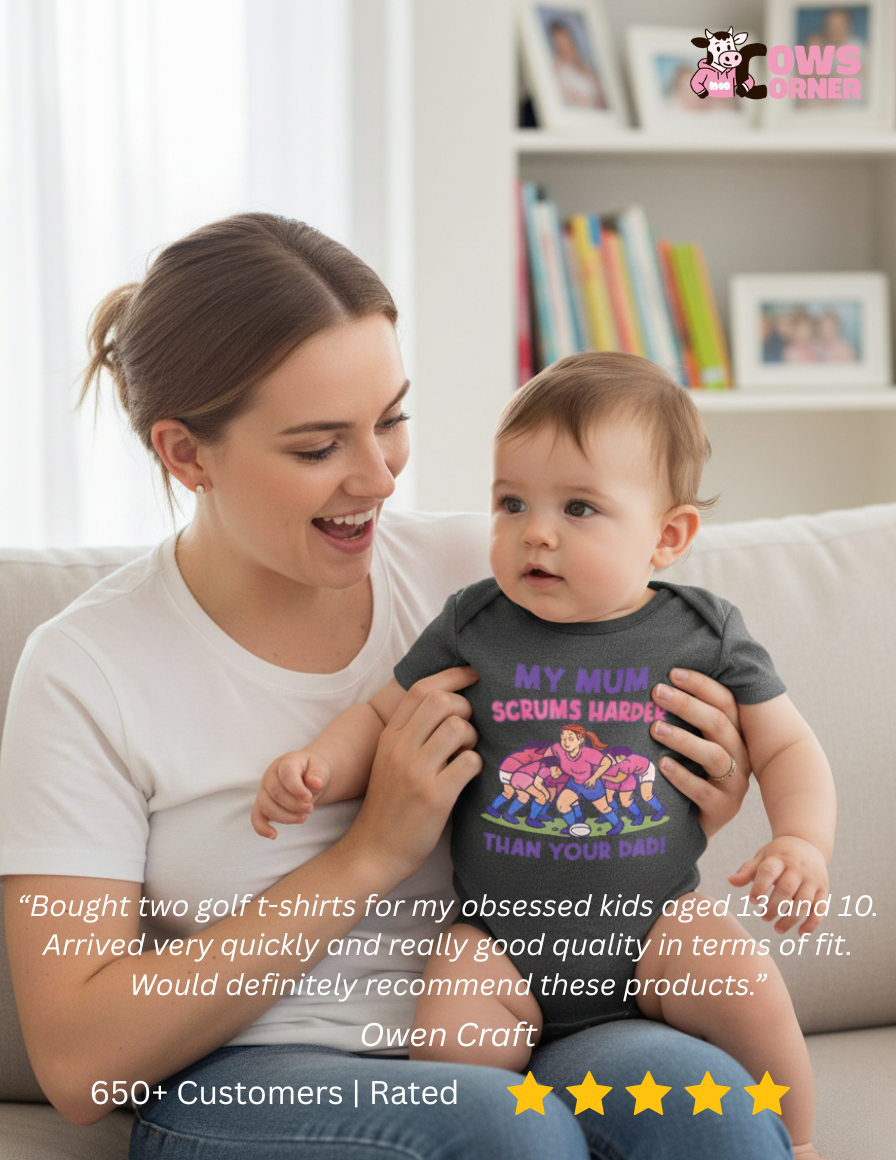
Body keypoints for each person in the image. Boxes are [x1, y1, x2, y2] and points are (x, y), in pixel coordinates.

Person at [0, 214, 789, 1160]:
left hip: (540, 1016)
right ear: (186, 453)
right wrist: (367, 852)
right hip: (256, 1071)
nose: (378, 477)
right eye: (317, 446)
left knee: (719, 1116)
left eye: (392, 419)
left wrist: (694, 793)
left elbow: (640, 724)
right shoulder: (87, 667)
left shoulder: (492, 572)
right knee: (510, 1133)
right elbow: (81, 1066)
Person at [252, 351, 834, 1158]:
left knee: (748, 988)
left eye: (581, 508)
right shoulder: (474, 622)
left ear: (667, 536)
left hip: (655, 925)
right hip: (499, 940)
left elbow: (788, 744)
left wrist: (801, 839)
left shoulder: (705, 632)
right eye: (511, 501)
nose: (537, 531)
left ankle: (799, 1144)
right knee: (451, 1044)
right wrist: (316, 765)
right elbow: (384, 717)